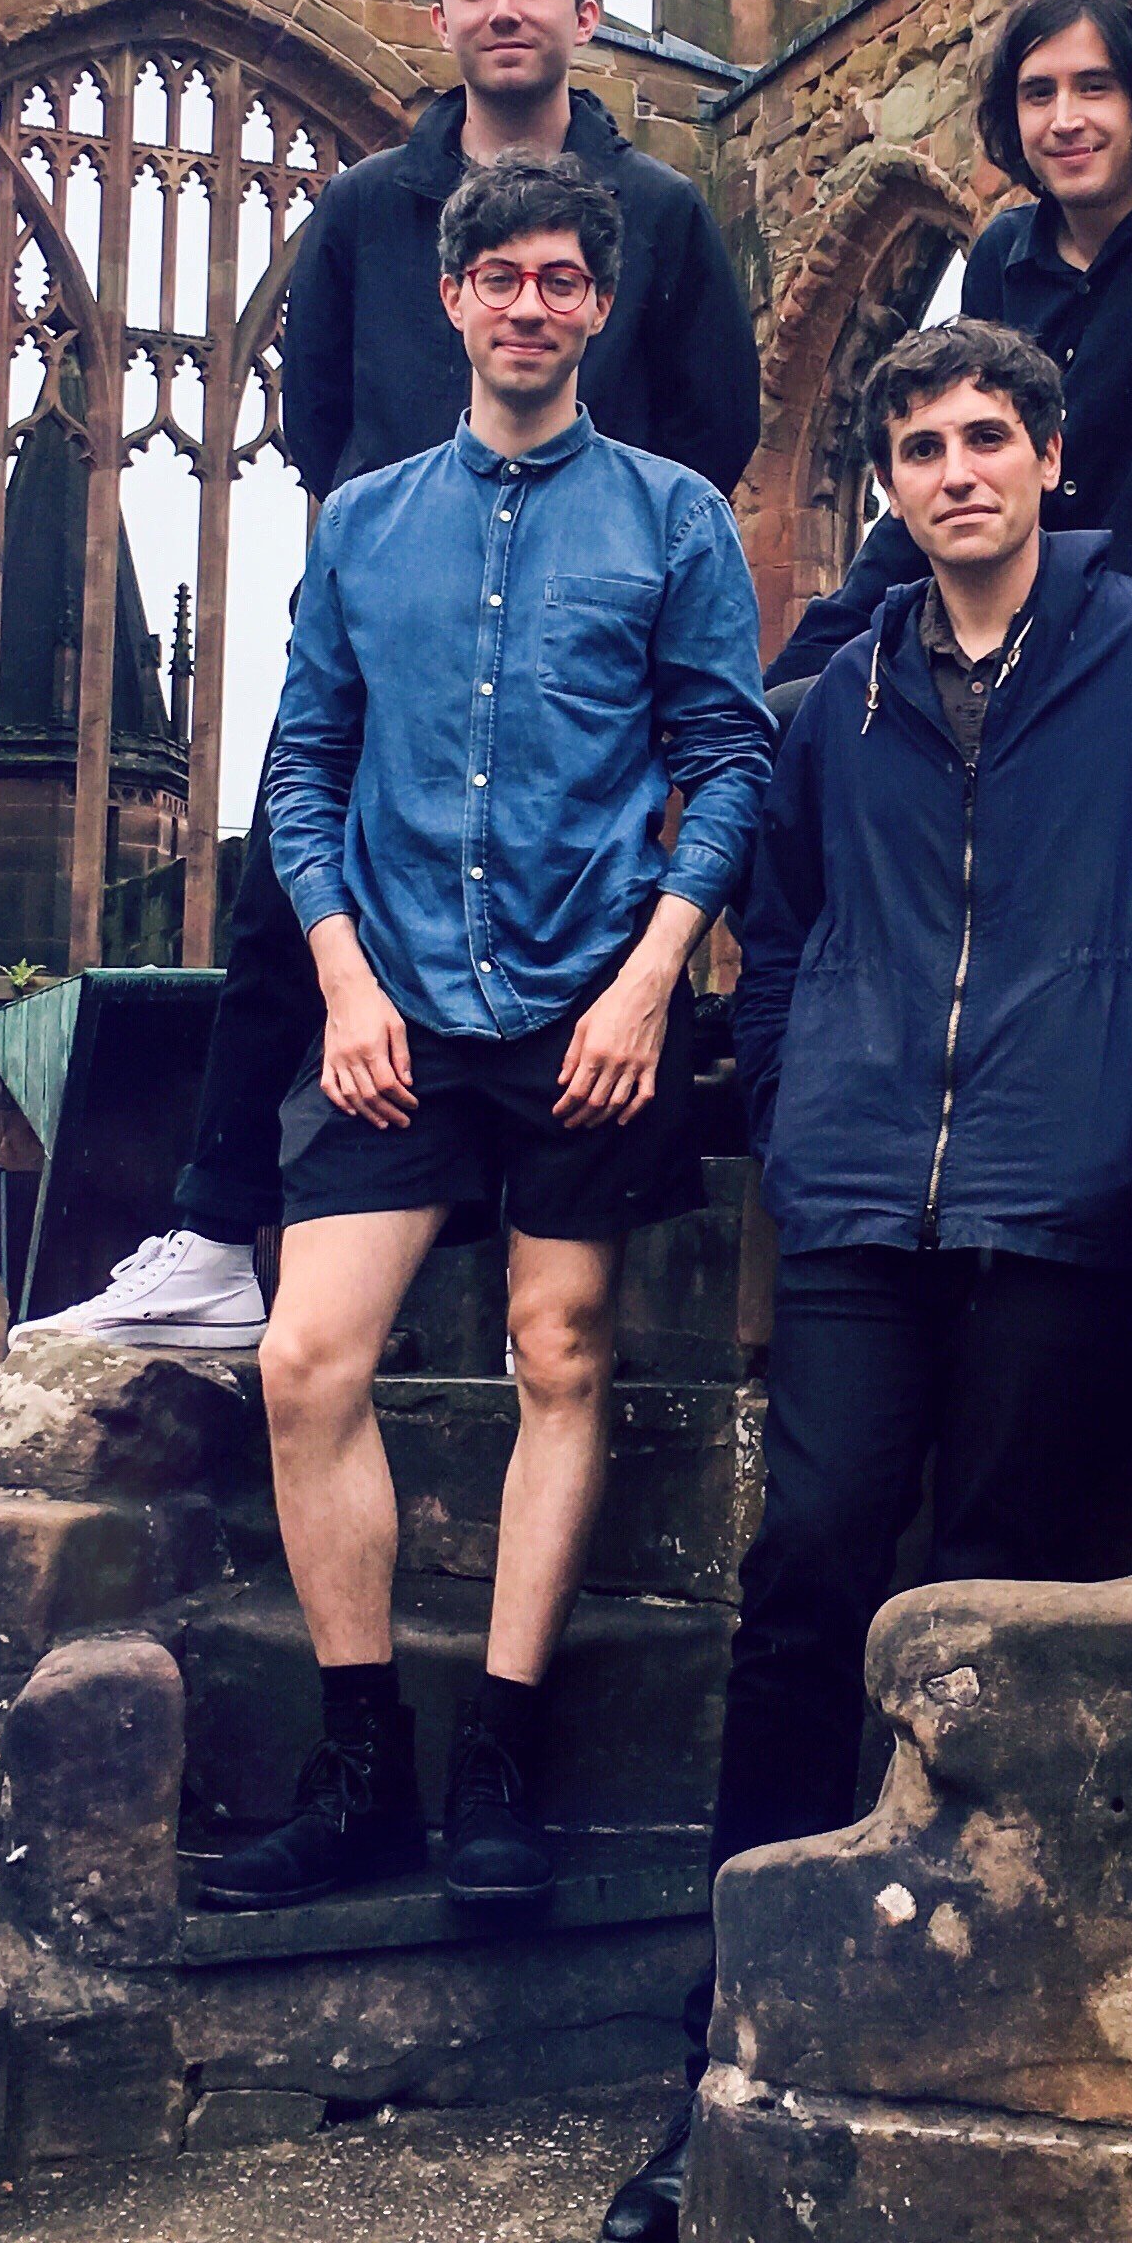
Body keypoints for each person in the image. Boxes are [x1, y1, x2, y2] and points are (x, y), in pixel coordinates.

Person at [596, 318, 1132, 2241]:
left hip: (1076, 1207)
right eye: (917, 444)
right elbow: (786, 917)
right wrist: (801, 1083)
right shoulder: (834, 701)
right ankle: (733, 2026)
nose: (953, 469)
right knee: (807, 1575)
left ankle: (972, 2027)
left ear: (1048, 459)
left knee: (1011, 1593)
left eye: (983, 434)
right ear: (889, 488)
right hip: (852, 1205)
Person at [22, 0, 760, 1353]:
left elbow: (718, 425)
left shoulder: (662, 212)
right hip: (399, 598)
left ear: (581, 15)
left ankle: (498, 1218)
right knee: (282, 899)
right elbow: (320, 419)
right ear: (442, 16)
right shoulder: (367, 206)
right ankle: (215, 1227)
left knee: (582, 894)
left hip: (588, 634)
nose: (504, 10)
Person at [193, 153, 773, 1910]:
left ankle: (505, 1755)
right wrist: (345, 978)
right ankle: (362, 1765)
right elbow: (298, 768)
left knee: (560, 1346)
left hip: (590, 1001)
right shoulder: (365, 523)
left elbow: (729, 757)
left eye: (560, 278)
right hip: (394, 1016)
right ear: (449, 299)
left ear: (598, 303)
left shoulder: (673, 518)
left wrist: (651, 972)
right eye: (498, 275)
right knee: (306, 1357)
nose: (529, 301)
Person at [766, 0, 1132, 689]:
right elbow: (956, 456)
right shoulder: (1004, 257)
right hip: (1039, 653)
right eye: (1038, 93)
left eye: (1094, 87)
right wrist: (791, 682)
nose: (1064, 119)